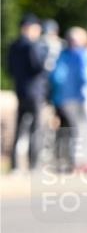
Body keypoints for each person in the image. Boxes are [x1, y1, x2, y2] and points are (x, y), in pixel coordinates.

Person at [50, 27, 87, 170]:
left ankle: (76, 160)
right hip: (83, 97)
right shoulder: (83, 54)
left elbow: (55, 77)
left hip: (65, 98)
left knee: (78, 129)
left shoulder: (62, 54)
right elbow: (86, 76)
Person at [7, 12, 48, 171]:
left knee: (19, 129)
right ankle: (34, 164)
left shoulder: (13, 45)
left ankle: (15, 165)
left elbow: (10, 69)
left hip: (20, 90)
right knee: (35, 129)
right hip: (35, 92)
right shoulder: (32, 45)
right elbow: (38, 66)